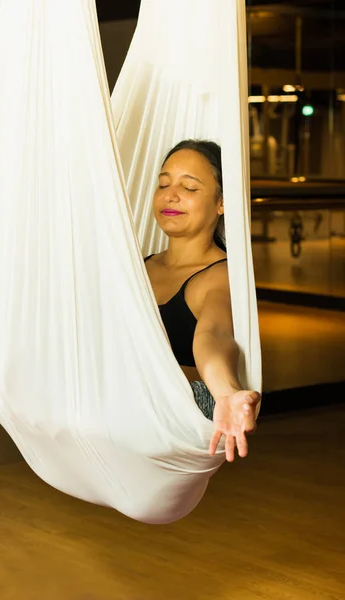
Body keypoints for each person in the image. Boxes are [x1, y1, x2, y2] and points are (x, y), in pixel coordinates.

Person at [145, 140, 261, 462]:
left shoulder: (221, 275)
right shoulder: (137, 268)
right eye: (164, 184)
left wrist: (226, 392)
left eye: (189, 188)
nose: (170, 195)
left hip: (185, 407)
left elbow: (213, 335)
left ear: (221, 202)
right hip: (124, 400)